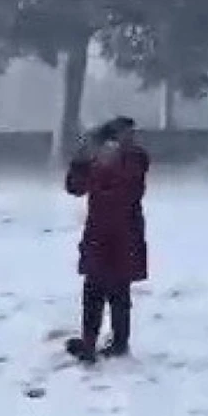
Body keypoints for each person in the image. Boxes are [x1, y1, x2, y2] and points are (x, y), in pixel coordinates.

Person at [64, 116, 150, 364]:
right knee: (94, 290)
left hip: (123, 233)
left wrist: (100, 164)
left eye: (131, 134)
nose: (129, 139)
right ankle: (90, 343)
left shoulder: (135, 159)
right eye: (124, 134)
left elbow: (124, 189)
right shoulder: (98, 161)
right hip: (100, 233)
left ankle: (118, 343)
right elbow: (74, 187)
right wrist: (81, 160)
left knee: (118, 291)